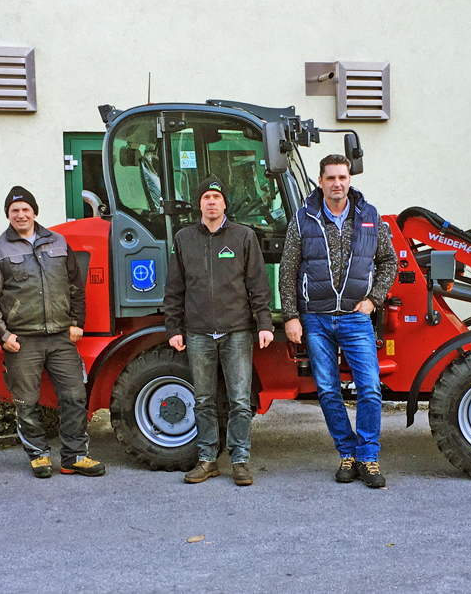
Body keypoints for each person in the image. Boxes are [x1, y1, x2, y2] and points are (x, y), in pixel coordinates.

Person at [278, 155, 397, 488]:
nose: (337, 183)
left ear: (349, 179)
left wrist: (373, 300)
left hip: (355, 319)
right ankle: (347, 453)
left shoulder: (369, 217)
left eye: (342, 177)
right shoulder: (303, 219)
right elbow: (288, 270)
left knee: (370, 389)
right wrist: (291, 315)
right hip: (314, 319)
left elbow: (389, 263)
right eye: (330, 178)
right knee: (329, 391)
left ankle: (368, 457)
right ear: (320, 181)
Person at [0, 186, 105, 479]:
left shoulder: (58, 242)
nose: (21, 215)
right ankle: (38, 456)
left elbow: (75, 285)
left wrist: (77, 322)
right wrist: (3, 336)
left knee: (74, 396)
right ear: (8, 216)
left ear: (34, 212)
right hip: (22, 341)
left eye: (26, 209)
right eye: (15, 211)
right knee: (27, 401)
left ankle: (74, 456)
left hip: (61, 336)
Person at [163, 176, 274, 486]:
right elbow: (174, 288)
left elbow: (258, 285)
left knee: (240, 400)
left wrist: (264, 323)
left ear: (225, 203)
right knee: (203, 400)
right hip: (197, 332)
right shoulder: (184, 239)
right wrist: (173, 327)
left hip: (237, 331)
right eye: (205, 196)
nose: (211, 201)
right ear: (199, 203)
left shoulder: (243, 237)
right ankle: (207, 459)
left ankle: (240, 461)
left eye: (216, 196)